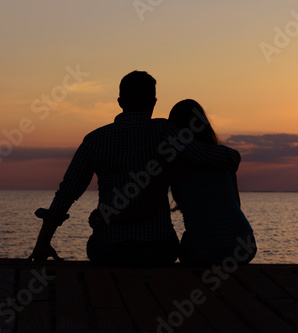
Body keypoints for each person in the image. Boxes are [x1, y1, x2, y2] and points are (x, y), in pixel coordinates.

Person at [28, 71, 241, 265]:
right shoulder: (165, 132)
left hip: (108, 249)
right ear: (154, 102)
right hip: (157, 249)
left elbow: (67, 193)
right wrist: (234, 155)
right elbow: (205, 155)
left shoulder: (94, 140)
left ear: (120, 102)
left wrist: (42, 243)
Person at [168, 99, 257, 265]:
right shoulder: (224, 158)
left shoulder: (173, 164)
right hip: (243, 245)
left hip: (203, 250)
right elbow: (236, 204)